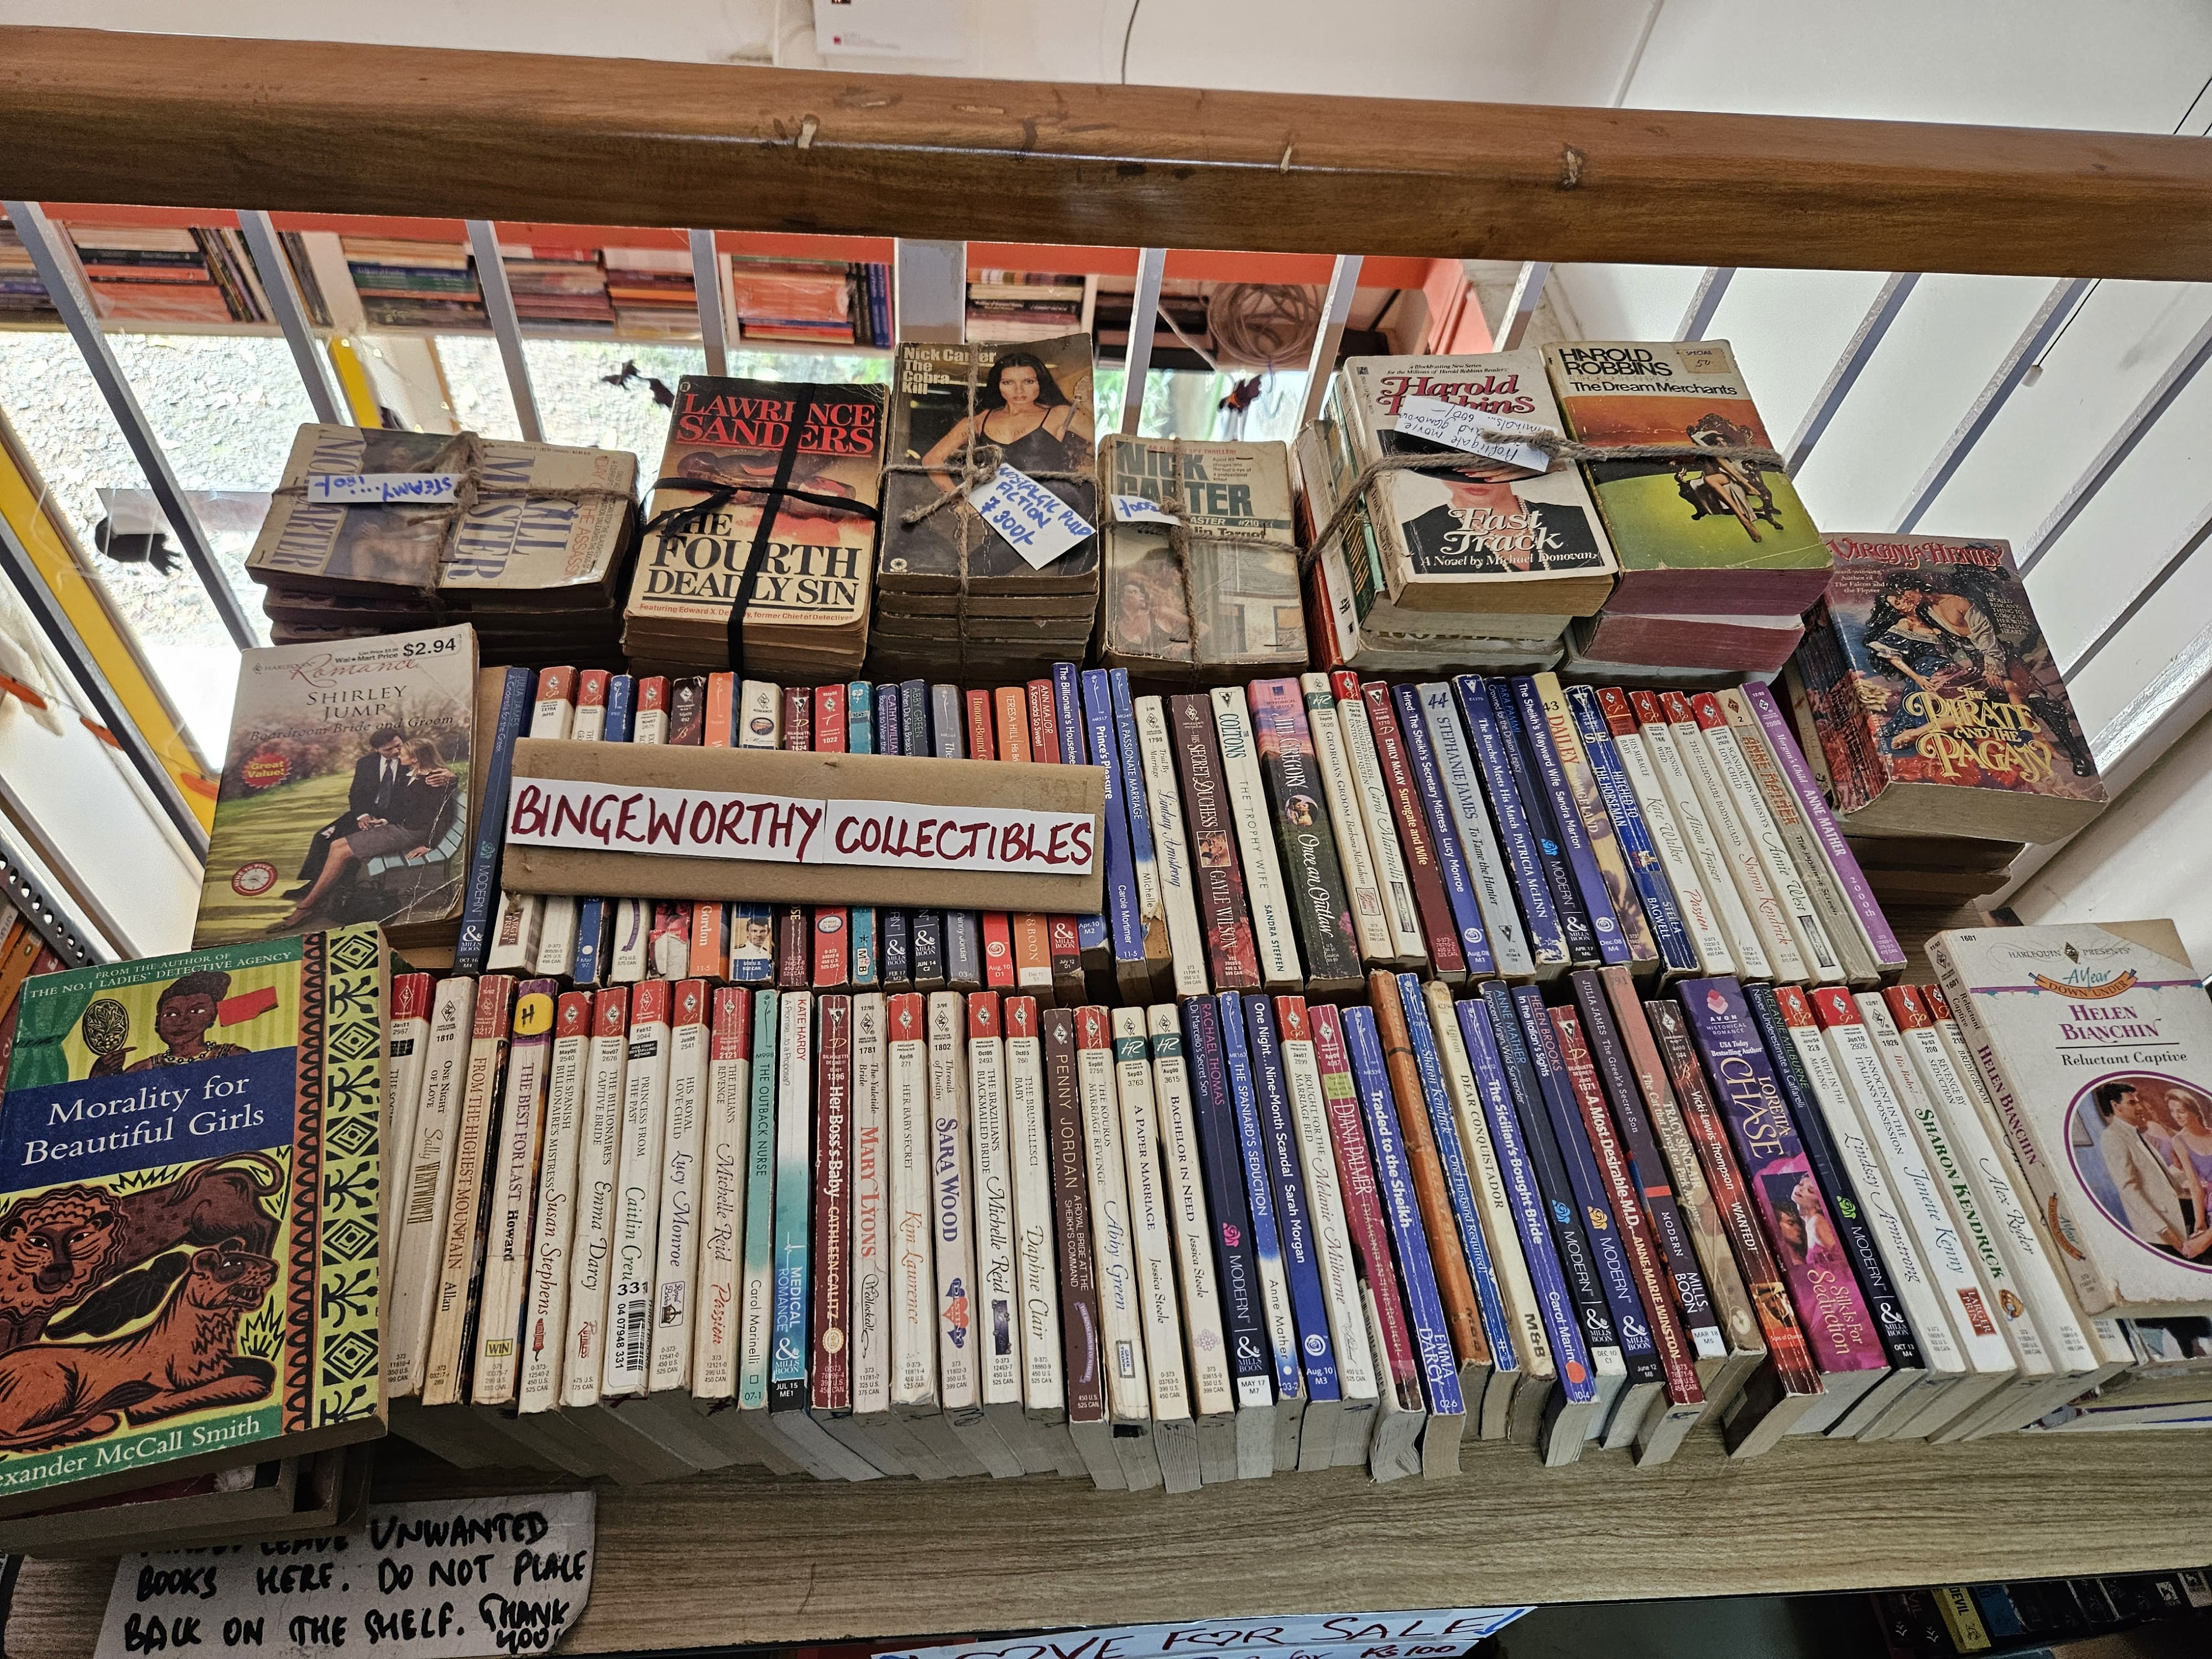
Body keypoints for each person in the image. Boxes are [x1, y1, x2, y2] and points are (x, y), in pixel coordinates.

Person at [275, 736, 456, 930]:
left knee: (341, 852)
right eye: (392, 750)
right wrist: (384, 821)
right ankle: (317, 897)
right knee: (334, 844)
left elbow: (445, 813)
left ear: (414, 759)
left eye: (401, 752)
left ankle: (306, 907)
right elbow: (403, 807)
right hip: (397, 826)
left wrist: (429, 844)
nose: (398, 754)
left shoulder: (433, 780)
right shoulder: (410, 774)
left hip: (411, 833)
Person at [288, 727, 410, 896]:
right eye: (388, 750)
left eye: (398, 746)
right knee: (323, 837)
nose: (396, 751)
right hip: (365, 814)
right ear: (377, 750)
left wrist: (385, 820)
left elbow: (414, 798)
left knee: (347, 844)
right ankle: (315, 883)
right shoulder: (366, 764)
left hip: (393, 818)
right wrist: (362, 816)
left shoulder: (411, 761)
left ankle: (341, 886)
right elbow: (356, 794)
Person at [2092, 1081, 2195, 1256]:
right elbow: (2129, 1189)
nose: (2139, 1107)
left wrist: (2189, 1186)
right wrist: (2165, 1232)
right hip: (2163, 1231)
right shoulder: (2112, 1137)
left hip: (2177, 1212)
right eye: (2132, 1103)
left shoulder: (2136, 1133)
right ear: (2115, 1105)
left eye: (2138, 1101)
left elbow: (2156, 1175)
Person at [118, 972, 252, 1073]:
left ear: (212, 1016)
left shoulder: (234, 1057)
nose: (182, 1021)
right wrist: (109, 1072)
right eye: (171, 1014)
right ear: (158, 1021)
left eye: (196, 1011)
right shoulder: (142, 1069)